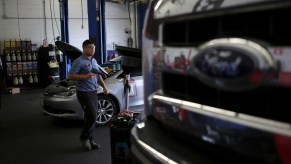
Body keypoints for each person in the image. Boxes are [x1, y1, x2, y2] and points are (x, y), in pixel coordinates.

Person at [68, 39, 109, 151]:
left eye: (94, 47)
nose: (93, 49)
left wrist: (104, 87)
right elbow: (70, 76)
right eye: (90, 47)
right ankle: (84, 138)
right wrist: (85, 76)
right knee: (92, 115)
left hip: (93, 92)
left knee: (91, 117)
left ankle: (91, 139)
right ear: (84, 48)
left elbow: (98, 74)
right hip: (83, 93)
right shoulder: (79, 61)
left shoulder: (94, 60)